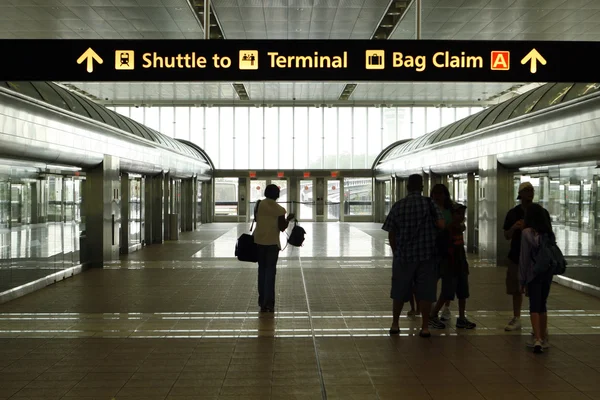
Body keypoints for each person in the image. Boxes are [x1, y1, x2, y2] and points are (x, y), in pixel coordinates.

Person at [382, 174, 445, 338]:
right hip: (427, 257)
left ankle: (395, 324)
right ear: (422, 187)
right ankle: (424, 327)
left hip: (404, 257)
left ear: (407, 187)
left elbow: (391, 233)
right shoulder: (429, 203)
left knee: (399, 290)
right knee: (425, 293)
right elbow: (441, 224)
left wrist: (397, 253)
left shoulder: (399, 206)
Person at [502, 182, 549, 331]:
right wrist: (514, 228)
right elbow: (506, 235)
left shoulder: (540, 212)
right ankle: (517, 317)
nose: (530, 193)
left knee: (536, 291)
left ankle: (540, 324)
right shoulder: (513, 213)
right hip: (517, 256)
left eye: (532, 190)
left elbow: (547, 233)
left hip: (536, 258)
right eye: (526, 191)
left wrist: (529, 229)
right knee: (516, 289)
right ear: (520, 194)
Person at [429, 203, 476, 329]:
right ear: (452, 215)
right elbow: (443, 250)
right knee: (446, 293)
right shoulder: (447, 231)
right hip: (450, 266)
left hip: (460, 265)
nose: (461, 216)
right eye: (458, 213)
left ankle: (461, 317)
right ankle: (433, 315)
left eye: (462, 214)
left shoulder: (459, 229)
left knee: (463, 293)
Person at [253, 184, 294, 313]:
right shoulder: (279, 209)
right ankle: (268, 303)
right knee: (270, 272)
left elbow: (256, 219)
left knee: (262, 271)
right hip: (272, 244)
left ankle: (261, 301)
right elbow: (282, 227)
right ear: (277, 194)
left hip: (259, 242)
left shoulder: (259, 205)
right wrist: (288, 219)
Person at [520, 203, 553, 353]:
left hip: (533, 273)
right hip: (546, 272)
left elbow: (524, 258)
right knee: (542, 304)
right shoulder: (548, 233)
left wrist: (522, 279)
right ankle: (544, 337)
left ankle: (537, 338)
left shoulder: (526, 233)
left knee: (534, 305)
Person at [428, 184, 453, 325]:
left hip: (449, 250)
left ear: (445, 195)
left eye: (440, 193)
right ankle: (432, 311)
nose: (437, 196)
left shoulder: (450, 209)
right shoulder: (429, 210)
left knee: (448, 283)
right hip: (433, 249)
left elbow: (458, 224)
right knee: (431, 283)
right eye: (435, 193)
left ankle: (438, 310)